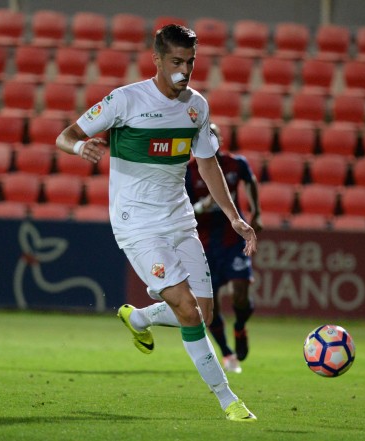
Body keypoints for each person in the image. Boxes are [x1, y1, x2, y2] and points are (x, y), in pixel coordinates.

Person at [56, 24, 258, 422]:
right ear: (158, 60)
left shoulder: (196, 106)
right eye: (177, 62)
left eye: (191, 62)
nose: (185, 70)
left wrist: (235, 217)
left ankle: (140, 316)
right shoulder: (125, 101)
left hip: (180, 220)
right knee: (186, 308)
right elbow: (66, 135)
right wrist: (82, 147)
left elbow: (207, 162)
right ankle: (228, 399)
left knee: (205, 312)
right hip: (137, 223)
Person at [185, 122, 263, 374]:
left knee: (241, 290)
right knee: (211, 305)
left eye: (214, 135)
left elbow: (250, 181)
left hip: (233, 239)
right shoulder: (188, 172)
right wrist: (200, 208)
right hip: (205, 243)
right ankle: (227, 353)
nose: (210, 139)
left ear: (219, 140)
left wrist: (256, 212)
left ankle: (240, 325)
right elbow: (182, 205)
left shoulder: (235, 164)